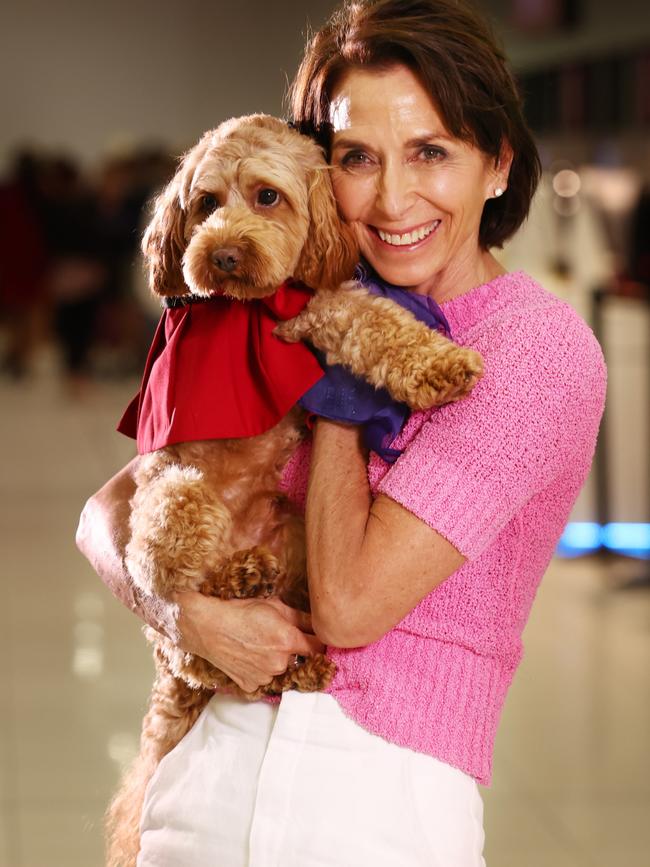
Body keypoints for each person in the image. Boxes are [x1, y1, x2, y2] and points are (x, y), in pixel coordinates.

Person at [76, 1, 606, 864]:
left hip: (375, 799)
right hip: (204, 773)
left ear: (498, 164)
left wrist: (336, 399)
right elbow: (104, 512)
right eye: (359, 157)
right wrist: (183, 613)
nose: (393, 197)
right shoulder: (292, 295)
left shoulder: (536, 351)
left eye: (431, 151)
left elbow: (352, 606)